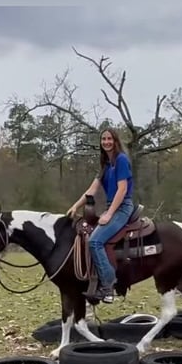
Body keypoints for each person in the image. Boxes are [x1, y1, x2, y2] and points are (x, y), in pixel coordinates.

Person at [67, 128, 135, 303]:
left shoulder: (121, 160)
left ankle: (108, 286)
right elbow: (92, 190)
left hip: (122, 207)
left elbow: (122, 189)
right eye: (103, 139)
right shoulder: (106, 164)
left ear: (115, 141)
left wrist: (109, 213)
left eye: (109, 139)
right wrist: (75, 206)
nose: (106, 142)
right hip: (112, 206)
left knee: (95, 241)